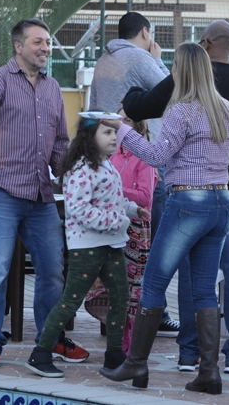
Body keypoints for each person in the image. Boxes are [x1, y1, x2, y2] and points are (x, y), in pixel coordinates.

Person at [122, 20, 229, 375]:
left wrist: (122, 119)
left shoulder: (182, 100)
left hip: (189, 198)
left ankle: (181, 354)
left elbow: (148, 125)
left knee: (172, 277)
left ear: (204, 46)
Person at [99, 42, 229, 395]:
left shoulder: (181, 111)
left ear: (180, 70)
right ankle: (209, 373)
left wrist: (121, 130)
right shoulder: (227, 109)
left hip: (188, 202)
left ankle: (136, 364)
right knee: (204, 290)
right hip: (221, 203)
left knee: (153, 283)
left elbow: (156, 154)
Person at [0, 18, 87, 368]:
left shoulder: (53, 88)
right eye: (38, 42)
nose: (46, 48)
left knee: (53, 269)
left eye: (48, 42)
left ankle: (49, 338)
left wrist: (74, 171)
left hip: (40, 195)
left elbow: (61, 142)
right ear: (18, 47)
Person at [26, 117, 149, 378]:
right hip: (88, 247)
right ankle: (40, 353)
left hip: (111, 244)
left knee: (120, 297)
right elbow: (78, 209)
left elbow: (110, 199)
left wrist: (130, 209)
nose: (115, 137)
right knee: (70, 301)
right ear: (89, 136)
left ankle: (115, 353)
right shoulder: (82, 170)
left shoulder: (104, 165)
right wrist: (120, 220)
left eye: (115, 132)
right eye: (107, 132)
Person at [89, 11, 178, 335]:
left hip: (110, 160)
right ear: (145, 32)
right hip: (144, 155)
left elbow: (94, 111)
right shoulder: (140, 58)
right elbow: (173, 90)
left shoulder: (102, 61)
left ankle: (112, 311)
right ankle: (155, 312)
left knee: (117, 243)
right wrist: (158, 58)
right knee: (151, 242)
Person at [84, 108, 158, 354]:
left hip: (135, 228)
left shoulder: (144, 157)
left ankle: (128, 344)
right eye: (115, 119)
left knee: (130, 290)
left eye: (124, 119)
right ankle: (117, 340)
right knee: (110, 286)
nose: (117, 125)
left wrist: (113, 189)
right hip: (110, 226)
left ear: (136, 125)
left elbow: (146, 198)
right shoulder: (108, 155)